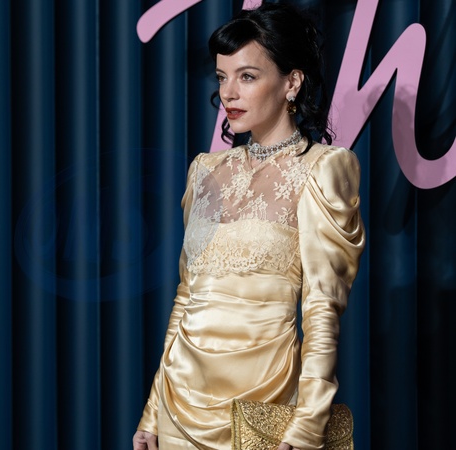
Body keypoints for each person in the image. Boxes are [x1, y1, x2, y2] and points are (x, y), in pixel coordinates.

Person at [132, 3, 365, 450]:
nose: (229, 93)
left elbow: (322, 308)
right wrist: (153, 410)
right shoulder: (204, 170)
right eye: (222, 77)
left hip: (263, 406)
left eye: (247, 76)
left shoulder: (324, 168)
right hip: (180, 408)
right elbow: (187, 298)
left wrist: (309, 423)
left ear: (291, 82)